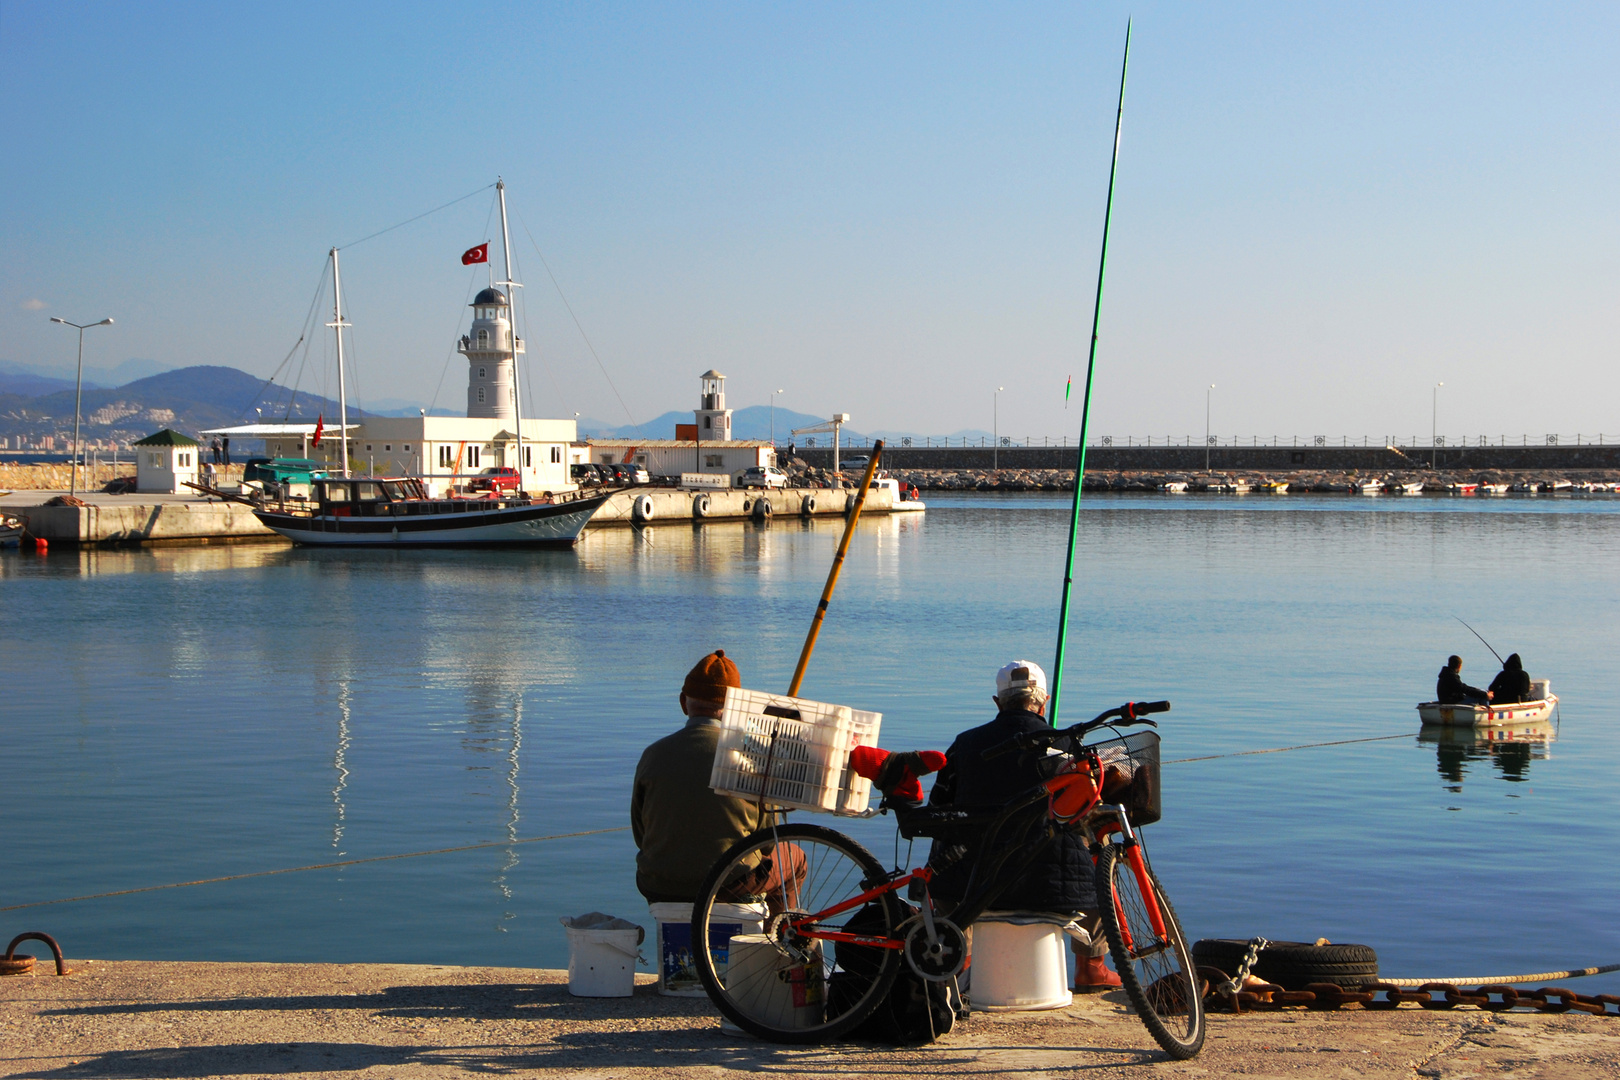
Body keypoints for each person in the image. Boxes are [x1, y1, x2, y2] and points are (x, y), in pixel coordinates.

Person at [926, 660, 1121, 993]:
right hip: (1054, 890)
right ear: (1043, 702)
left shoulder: (964, 744)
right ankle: (1091, 965)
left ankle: (962, 961)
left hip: (971, 889)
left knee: (942, 850)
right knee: (1101, 846)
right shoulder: (1064, 745)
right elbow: (1087, 807)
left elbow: (937, 809)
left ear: (998, 702)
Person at [630, 650, 803, 908]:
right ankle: (777, 937)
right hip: (729, 885)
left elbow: (641, 835)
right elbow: (768, 842)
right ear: (736, 708)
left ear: (682, 702)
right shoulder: (752, 756)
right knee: (795, 858)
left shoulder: (652, 754)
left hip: (658, 884)